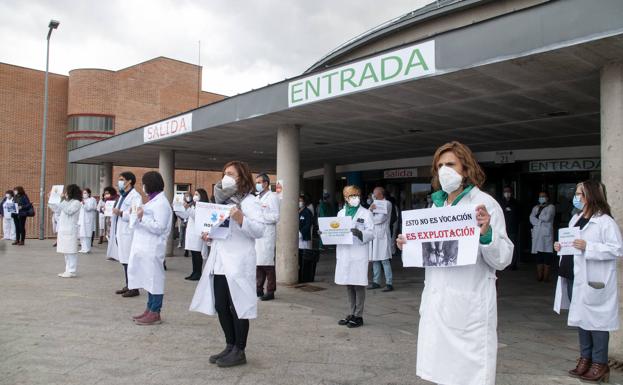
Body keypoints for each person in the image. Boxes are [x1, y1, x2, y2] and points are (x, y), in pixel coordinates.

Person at [397, 141, 513, 385]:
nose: (444, 170)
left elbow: (502, 259)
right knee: (440, 373)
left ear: (466, 168)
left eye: (450, 164)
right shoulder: (436, 206)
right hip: (438, 303)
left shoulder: (484, 204)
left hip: (468, 306)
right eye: (439, 166)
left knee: (468, 376)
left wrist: (486, 234)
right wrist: (410, 243)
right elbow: (433, 250)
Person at [190, 160, 265, 368]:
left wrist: (241, 218)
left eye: (230, 173)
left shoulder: (250, 202)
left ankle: (240, 350)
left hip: (239, 262)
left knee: (238, 306)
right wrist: (209, 235)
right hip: (220, 261)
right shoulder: (221, 202)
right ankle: (230, 345)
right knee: (221, 305)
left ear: (241, 176)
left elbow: (259, 230)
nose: (226, 176)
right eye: (224, 173)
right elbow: (221, 230)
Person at [554, 180, 623, 383]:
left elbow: (617, 249)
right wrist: (561, 246)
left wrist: (588, 246)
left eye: (580, 194)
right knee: (582, 320)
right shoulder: (576, 219)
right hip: (575, 276)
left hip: (594, 280)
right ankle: (585, 358)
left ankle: (600, 363)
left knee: (598, 323)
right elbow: (572, 244)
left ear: (591, 196)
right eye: (576, 194)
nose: (576, 198)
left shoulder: (604, 222)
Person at [127, 171, 173, 326]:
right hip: (144, 248)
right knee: (147, 279)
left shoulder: (162, 204)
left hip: (153, 248)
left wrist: (141, 218)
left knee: (155, 280)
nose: (143, 186)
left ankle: (155, 312)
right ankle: (149, 308)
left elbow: (160, 227)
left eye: (144, 183)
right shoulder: (152, 201)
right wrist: (136, 214)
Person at [333, 185, 374, 328]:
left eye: (357, 195)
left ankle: (359, 315)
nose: (355, 198)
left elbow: (371, 233)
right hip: (345, 253)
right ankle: (351, 313)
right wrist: (325, 234)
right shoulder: (340, 213)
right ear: (345, 198)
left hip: (358, 253)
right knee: (349, 284)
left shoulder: (366, 213)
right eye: (351, 196)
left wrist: (360, 233)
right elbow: (335, 230)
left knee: (358, 284)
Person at [111, 172, 143, 297]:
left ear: (129, 181)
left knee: (130, 260)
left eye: (121, 179)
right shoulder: (123, 196)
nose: (119, 182)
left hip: (129, 233)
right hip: (121, 231)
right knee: (125, 260)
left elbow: (134, 215)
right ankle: (129, 284)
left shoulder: (135, 197)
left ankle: (134, 288)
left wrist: (120, 213)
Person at [254, 173, 280, 301]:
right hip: (258, 233)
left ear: (265, 183)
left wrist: (261, 216)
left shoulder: (272, 197)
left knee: (267, 264)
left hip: (267, 233)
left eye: (259, 182)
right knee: (258, 263)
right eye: (256, 182)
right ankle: (258, 289)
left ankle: (270, 291)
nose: (257, 185)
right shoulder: (257, 197)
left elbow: (275, 217)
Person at [49, 185, 82, 278]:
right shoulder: (66, 202)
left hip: (70, 229)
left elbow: (69, 211)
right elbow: (57, 210)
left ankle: (72, 271)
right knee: (66, 251)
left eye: (67, 192)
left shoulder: (76, 202)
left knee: (71, 251)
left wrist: (62, 200)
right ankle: (67, 270)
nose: (65, 193)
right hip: (63, 229)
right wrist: (52, 200)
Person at [179, 188, 210, 281]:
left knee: (197, 254)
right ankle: (194, 272)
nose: (195, 196)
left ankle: (198, 273)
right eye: (195, 194)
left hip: (197, 233)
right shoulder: (194, 205)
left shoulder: (203, 206)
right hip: (191, 232)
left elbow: (196, 216)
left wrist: (188, 208)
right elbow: (187, 215)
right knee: (193, 253)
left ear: (202, 196)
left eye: (197, 194)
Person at [368, 186, 394, 292]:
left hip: (383, 235)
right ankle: (376, 282)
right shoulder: (374, 204)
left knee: (384, 260)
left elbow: (379, 219)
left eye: (375, 193)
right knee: (375, 260)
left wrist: (370, 212)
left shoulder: (386, 204)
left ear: (380, 194)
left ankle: (389, 283)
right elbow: (369, 219)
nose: (373, 195)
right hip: (375, 235)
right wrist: (370, 211)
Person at [530, 190, 556, 281]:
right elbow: (531, 218)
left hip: (546, 234)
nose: (541, 198)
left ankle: (546, 277)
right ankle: (539, 276)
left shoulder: (551, 207)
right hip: (537, 234)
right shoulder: (535, 207)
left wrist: (538, 217)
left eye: (543, 196)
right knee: (539, 256)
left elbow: (548, 218)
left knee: (547, 256)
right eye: (540, 196)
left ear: (547, 197)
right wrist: (539, 220)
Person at [501, 186, 521, 270]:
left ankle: (513, 264)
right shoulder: (500, 202)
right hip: (503, 229)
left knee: (512, 246)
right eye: (505, 191)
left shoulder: (515, 203)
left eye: (508, 191)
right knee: (503, 247)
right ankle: (504, 264)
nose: (507, 193)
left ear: (511, 193)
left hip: (513, 228)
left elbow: (519, 215)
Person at [298, 194, 315, 283]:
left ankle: (305, 276)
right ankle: (299, 275)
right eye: (298, 200)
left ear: (304, 202)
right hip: (296, 240)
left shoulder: (307, 212)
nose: (299, 202)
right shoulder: (297, 211)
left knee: (305, 258)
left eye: (301, 200)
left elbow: (308, 225)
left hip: (304, 238)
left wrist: (300, 233)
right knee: (299, 259)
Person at [78, 188, 97, 253]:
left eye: (85, 193)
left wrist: (84, 204)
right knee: (81, 234)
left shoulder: (92, 199)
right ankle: (83, 248)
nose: (84, 194)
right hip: (81, 220)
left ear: (89, 193)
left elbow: (89, 208)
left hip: (88, 220)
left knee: (87, 235)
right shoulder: (82, 200)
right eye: (83, 193)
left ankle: (87, 249)